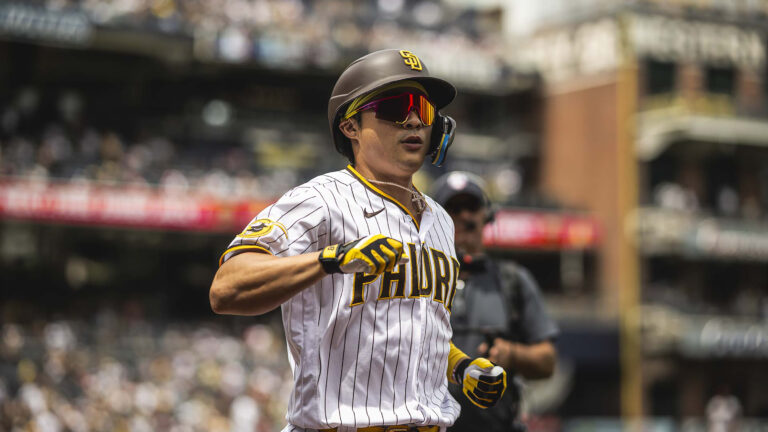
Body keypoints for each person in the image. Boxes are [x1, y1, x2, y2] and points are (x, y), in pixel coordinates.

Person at [209, 49, 507, 432]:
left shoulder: (441, 221)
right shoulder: (322, 199)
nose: (415, 119)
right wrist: (330, 259)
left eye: (425, 109)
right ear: (350, 127)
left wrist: (459, 365)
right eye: (397, 107)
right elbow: (226, 287)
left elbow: (414, 323)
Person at [431, 171, 559, 432]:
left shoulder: (512, 280)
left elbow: (548, 361)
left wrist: (512, 354)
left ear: (486, 215)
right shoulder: (417, 278)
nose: (464, 216)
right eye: (453, 208)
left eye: (472, 207)